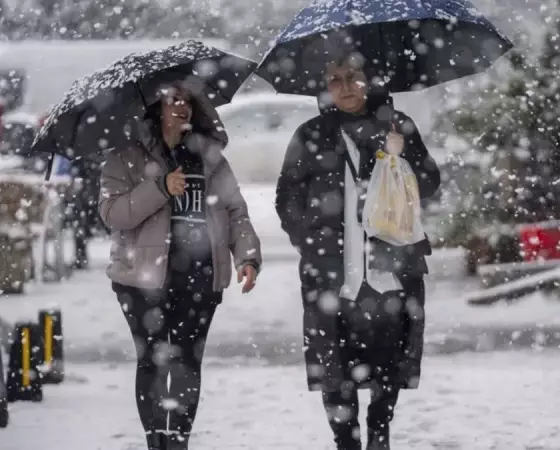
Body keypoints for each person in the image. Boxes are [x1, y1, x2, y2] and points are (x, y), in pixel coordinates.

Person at [275, 50, 441, 450]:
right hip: (332, 272)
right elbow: (287, 197)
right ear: (325, 87)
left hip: (392, 266)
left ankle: (379, 432)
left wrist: (403, 158)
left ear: (371, 79)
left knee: (390, 358)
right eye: (336, 80)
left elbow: (430, 185)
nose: (346, 87)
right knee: (334, 363)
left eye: (353, 76)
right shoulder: (311, 134)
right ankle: (345, 442)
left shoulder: (398, 126)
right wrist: (311, 243)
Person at [99, 80, 262, 450]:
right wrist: (159, 189)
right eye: (173, 99)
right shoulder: (126, 157)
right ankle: (157, 441)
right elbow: (112, 215)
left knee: (187, 363)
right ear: (156, 106)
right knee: (152, 362)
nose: (182, 107)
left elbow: (236, 213)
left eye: (187, 101)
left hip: (200, 277)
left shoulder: (209, 157)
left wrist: (248, 256)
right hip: (141, 281)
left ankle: (179, 442)